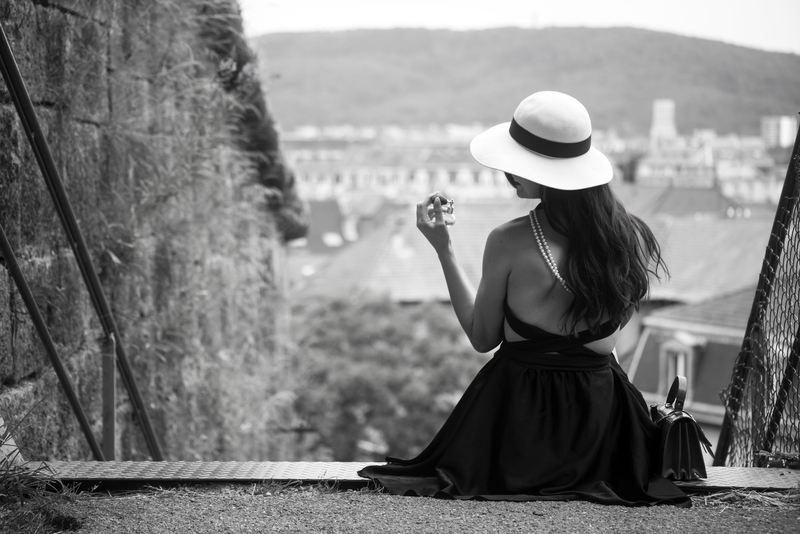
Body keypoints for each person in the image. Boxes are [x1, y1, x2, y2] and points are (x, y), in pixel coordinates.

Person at [357, 91, 691, 507]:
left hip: (517, 422)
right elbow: (608, 341)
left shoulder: (509, 240)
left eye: (517, 164)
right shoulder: (630, 239)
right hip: (604, 429)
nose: (506, 173)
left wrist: (443, 248)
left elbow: (482, 337)